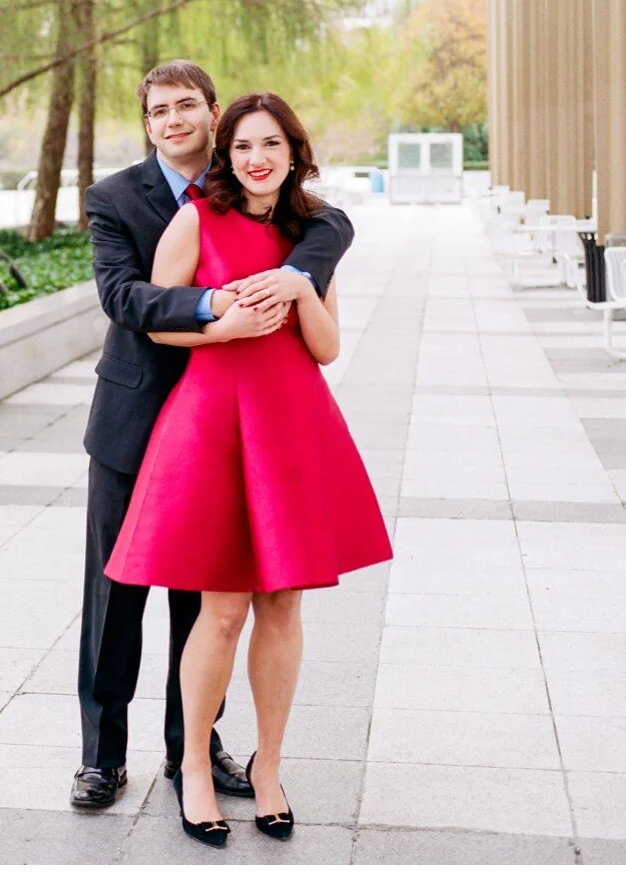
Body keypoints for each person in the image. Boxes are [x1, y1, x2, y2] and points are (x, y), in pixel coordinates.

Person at [105, 91, 393, 846]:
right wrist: (223, 326)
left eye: (271, 144)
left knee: (284, 604)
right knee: (223, 608)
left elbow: (326, 347)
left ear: (294, 152)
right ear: (225, 155)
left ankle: (270, 767)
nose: (257, 158)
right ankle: (196, 767)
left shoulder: (313, 235)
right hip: (214, 424)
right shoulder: (197, 219)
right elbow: (161, 325)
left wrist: (299, 287)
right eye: (242, 147)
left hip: (292, 423)